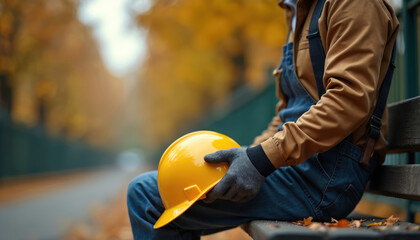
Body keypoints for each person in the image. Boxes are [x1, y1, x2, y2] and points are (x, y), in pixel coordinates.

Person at [127, 0, 399, 239]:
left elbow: (349, 101)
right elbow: (286, 113)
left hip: (327, 177)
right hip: (300, 166)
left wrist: (260, 160)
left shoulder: (354, 3)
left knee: (148, 196)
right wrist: (250, 156)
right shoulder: (298, 10)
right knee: (168, 189)